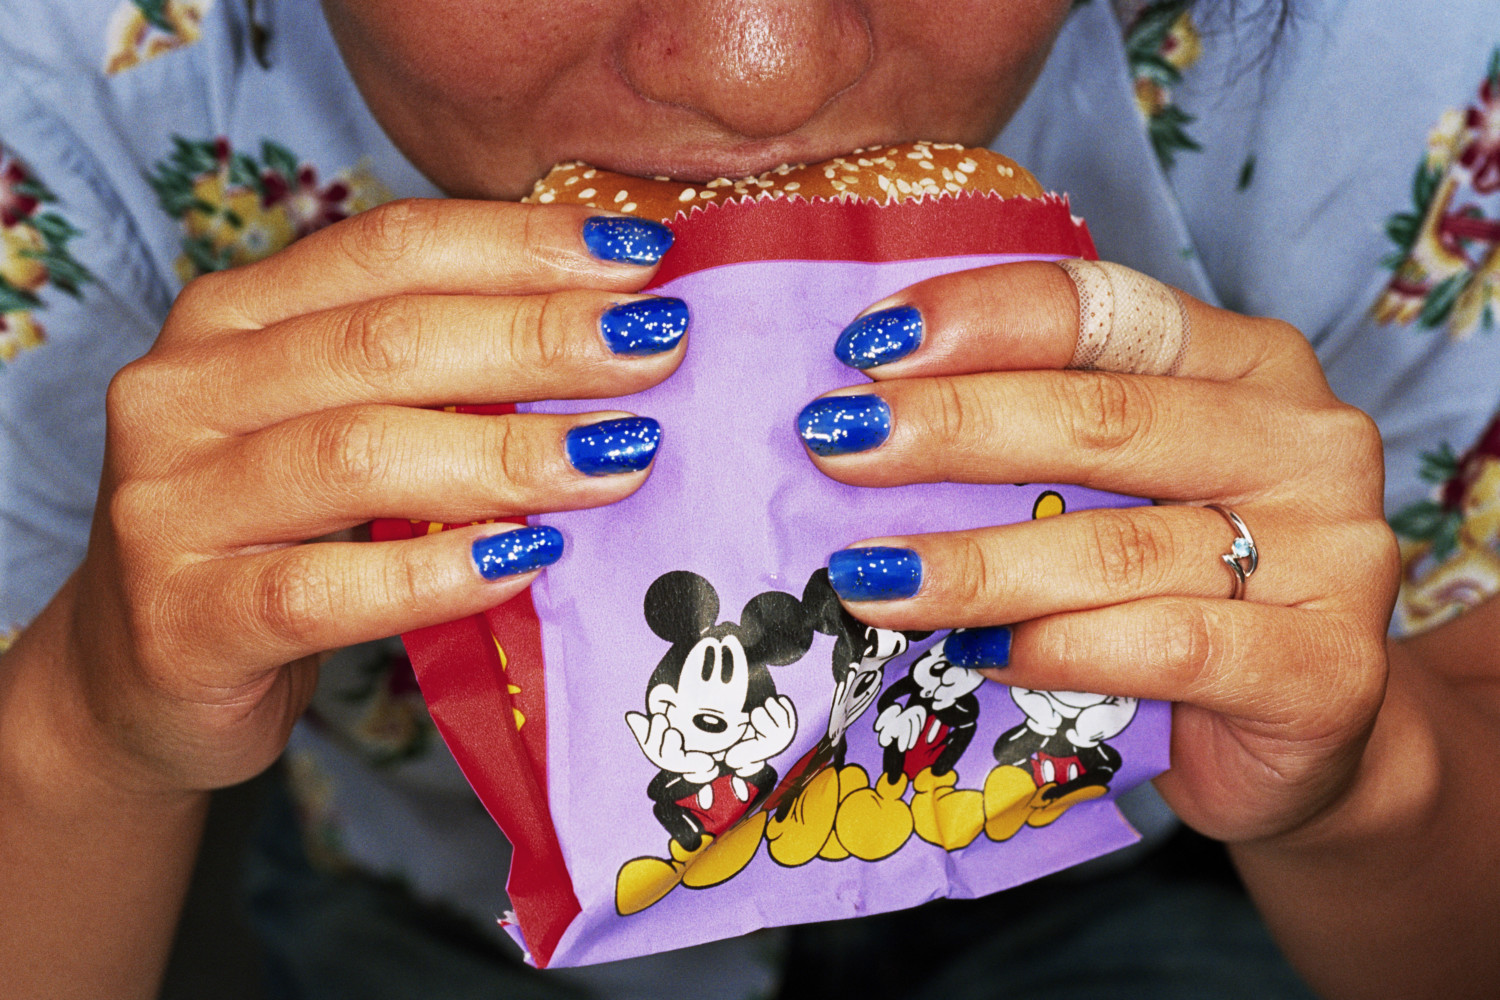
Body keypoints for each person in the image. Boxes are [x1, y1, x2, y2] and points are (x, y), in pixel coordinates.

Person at [1, 0, 1497, 998]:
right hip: (432, 907)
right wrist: (82, 734)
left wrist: (1365, 781)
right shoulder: (72, 104)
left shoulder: (1374, 72)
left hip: (1127, 884)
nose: (759, 66)